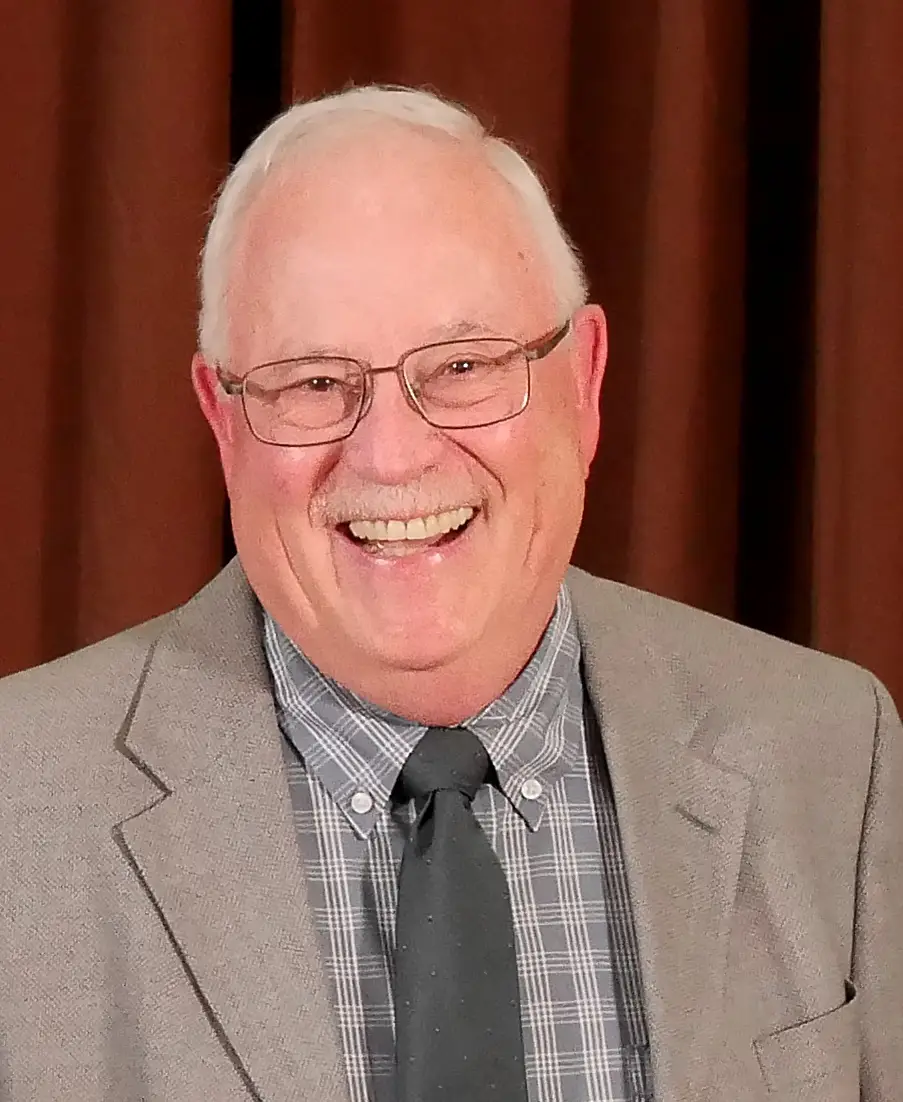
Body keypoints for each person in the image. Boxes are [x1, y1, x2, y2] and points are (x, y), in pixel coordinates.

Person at [0, 85, 899, 1102]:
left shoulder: (833, 754)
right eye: (311, 382)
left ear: (586, 383)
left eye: (465, 365)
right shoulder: (17, 806)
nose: (391, 455)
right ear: (223, 418)